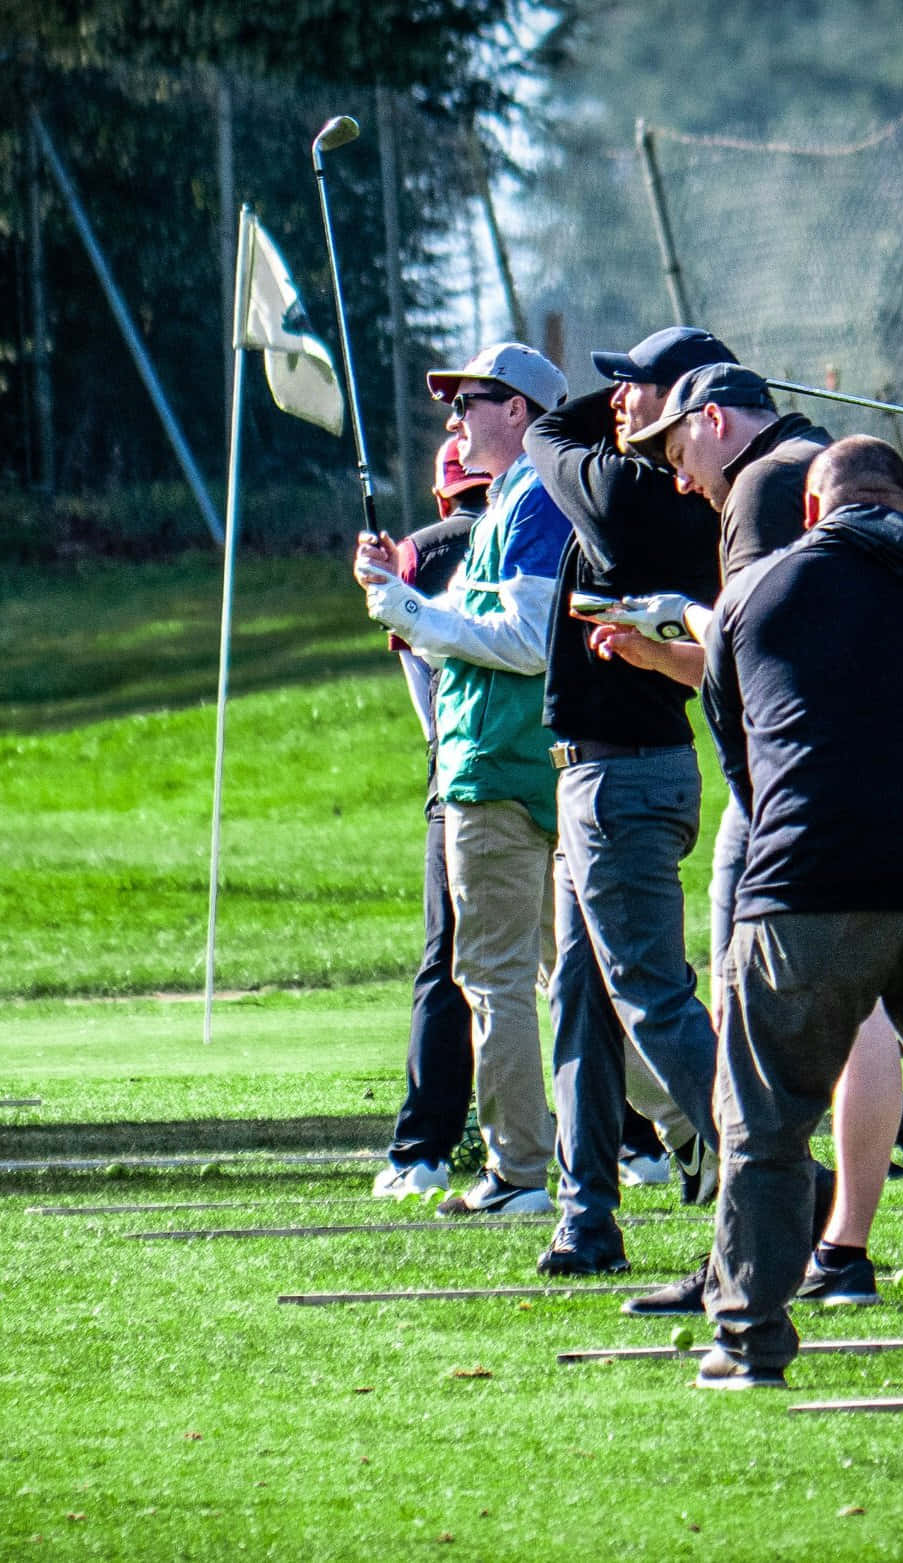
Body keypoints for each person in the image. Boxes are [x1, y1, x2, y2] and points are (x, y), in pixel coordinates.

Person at [693, 435, 903, 1388]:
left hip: (806, 887)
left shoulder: (755, 596)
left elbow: (743, 761)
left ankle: (748, 1338)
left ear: (811, 510)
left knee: (763, 1126)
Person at [600, 366, 900, 1316]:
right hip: (870, 784)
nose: (684, 482)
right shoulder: (823, 469)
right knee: (875, 1017)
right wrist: (659, 654)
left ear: (715, 421)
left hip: (786, 799)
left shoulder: (764, 485)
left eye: (680, 455)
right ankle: (840, 1249)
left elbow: (758, 656)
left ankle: (763, 1255)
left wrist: (680, 623)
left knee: (751, 1032)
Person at [521, 326, 737, 1278]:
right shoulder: (655, 484)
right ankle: (586, 1214)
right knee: (580, 999)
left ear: (688, 406)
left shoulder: (637, 493)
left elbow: (541, 437)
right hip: (602, 774)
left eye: (633, 387)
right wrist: (642, 396)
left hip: (623, 778)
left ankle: (769, 1168)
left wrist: (624, 410)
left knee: (649, 995)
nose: (612, 401)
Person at [357, 342, 571, 1219]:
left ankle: (519, 1172)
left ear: (517, 410)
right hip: (514, 764)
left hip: (501, 769)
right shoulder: (512, 505)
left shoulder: (533, 503)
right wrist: (398, 594)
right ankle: (695, 1139)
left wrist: (407, 610)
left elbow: (523, 641)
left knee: (496, 979)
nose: (453, 420)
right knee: (585, 979)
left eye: (469, 401)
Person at [370, 436, 492, 1199]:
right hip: (559, 766)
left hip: (461, 771)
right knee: (580, 962)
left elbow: (420, 677)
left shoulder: (419, 552)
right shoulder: (556, 528)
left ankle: (423, 1147)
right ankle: (636, 1137)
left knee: (449, 961)